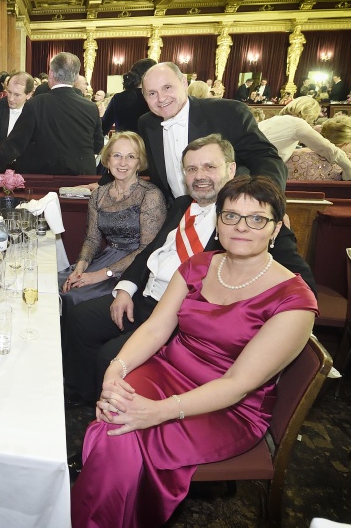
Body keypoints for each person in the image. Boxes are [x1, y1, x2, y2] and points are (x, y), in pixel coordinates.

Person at [70, 175, 318, 527]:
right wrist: (117, 367)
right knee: (117, 420)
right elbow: (156, 328)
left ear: (277, 229)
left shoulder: (294, 300)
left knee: (120, 434)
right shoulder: (198, 265)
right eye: (231, 216)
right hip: (166, 371)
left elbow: (238, 383)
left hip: (228, 406)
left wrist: (158, 412)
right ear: (218, 221)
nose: (242, 227)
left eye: (257, 219)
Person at [64, 135, 315, 405]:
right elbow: (150, 250)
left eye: (210, 167)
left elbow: (301, 285)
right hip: (145, 298)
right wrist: (126, 288)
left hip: (183, 318)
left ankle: (110, 415)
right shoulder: (183, 205)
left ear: (230, 169)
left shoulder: (249, 224)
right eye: (192, 169)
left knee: (110, 356)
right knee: (78, 317)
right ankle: (85, 397)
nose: (200, 176)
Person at [131, 62, 287, 203]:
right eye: (152, 93)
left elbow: (266, 159)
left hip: (226, 213)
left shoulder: (228, 112)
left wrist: (267, 203)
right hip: (177, 216)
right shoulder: (147, 123)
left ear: (184, 83)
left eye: (167, 87)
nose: (161, 98)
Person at [59, 132, 166, 311]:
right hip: (106, 257)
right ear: (108, 160)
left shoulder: (150, 195)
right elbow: (92, 240)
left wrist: (100, 275)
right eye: (117, 155)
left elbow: (147, 249)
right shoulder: (99, 194)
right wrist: (80, 268)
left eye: (131, 157)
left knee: (74, 297)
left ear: (139, 163)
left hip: (135, 266)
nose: (123, 163)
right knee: (54, 284)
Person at [0, 52, 103, 182]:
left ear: (51, 73)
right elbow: (97, 146)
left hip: (45, 180)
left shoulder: (36, 104)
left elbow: (14, 145)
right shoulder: (91, 107)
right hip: (83, 180)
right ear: (75, 77)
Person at [258, 96, 351, 181]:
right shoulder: (298, 123)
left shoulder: (271, 120)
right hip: (263, 174)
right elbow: (327, 148)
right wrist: (350, 169)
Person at [101, 58, 156, 136]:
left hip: (123, 145)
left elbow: (103, 128)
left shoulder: (118, 98)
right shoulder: (155, 99)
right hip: (149, 147)